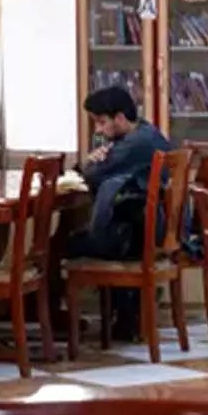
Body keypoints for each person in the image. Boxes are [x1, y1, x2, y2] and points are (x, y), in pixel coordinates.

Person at [72, 86, 177, 339]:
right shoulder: (147, 132)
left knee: (67, 244)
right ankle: (127, 316)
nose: (98, 130)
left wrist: (91, 161)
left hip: (139, 235)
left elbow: (91, 174)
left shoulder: (133, 144)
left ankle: (54, 319)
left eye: (101, 122)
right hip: (151, 228)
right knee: (106, 228)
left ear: (119, 118)